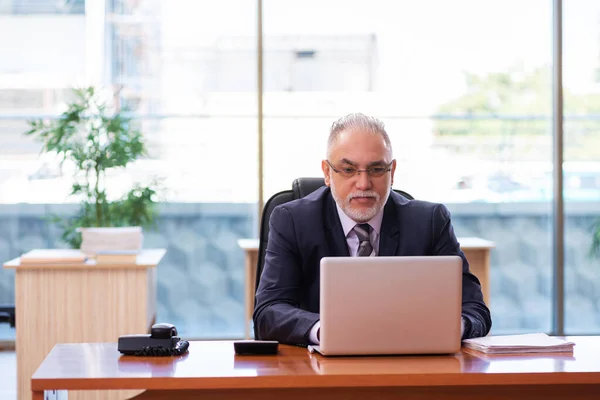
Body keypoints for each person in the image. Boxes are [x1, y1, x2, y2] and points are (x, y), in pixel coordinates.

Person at [253, 113, 491, 346]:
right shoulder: (293, 221)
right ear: (327, 173)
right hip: (318, 371)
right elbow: (268, 313)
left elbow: (475, 311)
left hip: (410, 367)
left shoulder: (429, 221)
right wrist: (328, 331)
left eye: (376, 169)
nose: (364, 184)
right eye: (348, 170)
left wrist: (447, 328)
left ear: (392, 172)